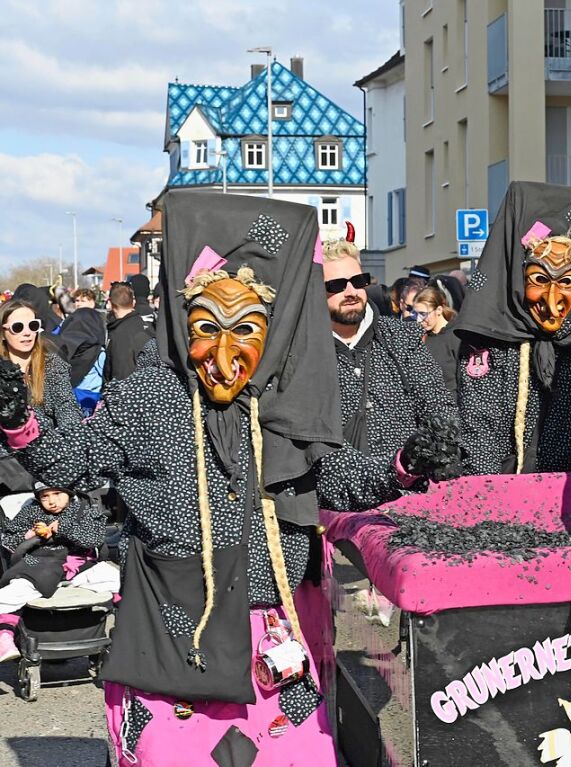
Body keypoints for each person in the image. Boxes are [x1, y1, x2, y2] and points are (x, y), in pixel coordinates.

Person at [0, 192, 459, 765]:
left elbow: (332, 477)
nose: (222, 354)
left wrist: (402, 466)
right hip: (173, 634)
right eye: (204, 328)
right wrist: (19, 421)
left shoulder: (284, 402)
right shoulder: (151, 397)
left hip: (270, 642)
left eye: (243, 329)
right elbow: (68, 461)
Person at [453, 181, 571, 475]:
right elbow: (478, 425)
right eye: (540, 281)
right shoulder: (491, 344)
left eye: (566, 282)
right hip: (509, 496)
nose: (552, 301)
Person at [322, 234, 456, 461]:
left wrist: (417, 463)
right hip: (331, 491)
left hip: (404, 488)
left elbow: (440, 410)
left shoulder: (402, 338)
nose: (351, 292)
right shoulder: (304, 350)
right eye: (336, 285)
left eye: (358, 281)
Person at [0, 482, 114, 662]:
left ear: (69, 494)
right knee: (13, 591)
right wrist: (30, 535)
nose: (51, 501)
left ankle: (128, 628)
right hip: (41, 561)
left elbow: (93, 539)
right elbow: (9, 540)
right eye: (45, 496)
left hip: (79, 562)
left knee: (121, 580)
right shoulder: (31, 511)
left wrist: (60, 528)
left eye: (57, 494)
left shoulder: (83, 509)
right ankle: (5, 637)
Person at [0, 300, 81, 494]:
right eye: (17, 327)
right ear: (3, 332)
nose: (27, 333)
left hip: (47, 460)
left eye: (33, 325)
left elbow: (67, 407)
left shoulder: (52, 364)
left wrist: (67, 445)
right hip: (6, 467)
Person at [53, 305, 107, 416]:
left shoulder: (62, 348)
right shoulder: (98, 352)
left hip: (69, 394)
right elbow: (106, 373)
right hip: (91, 397)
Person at [103, 281, 154, 382]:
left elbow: (120, 376)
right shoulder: (146, 326)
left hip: (127, 392)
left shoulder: (119, 335)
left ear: (110, 302)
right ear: (133, 302)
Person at [413, 285, 459, 392]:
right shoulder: (419, 337)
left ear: (438, 310)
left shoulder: (456, 337)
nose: (418, 320)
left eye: (423, 314)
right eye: (416, 314)